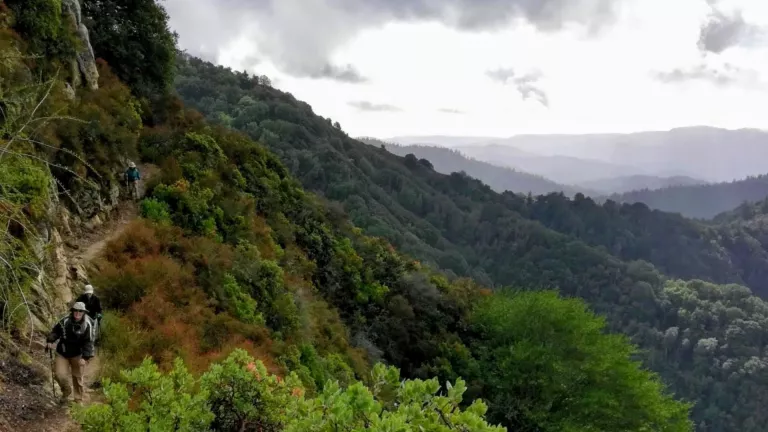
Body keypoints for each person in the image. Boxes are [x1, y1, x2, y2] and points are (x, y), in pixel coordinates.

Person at [46, 302, 95, 404]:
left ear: (84, 312)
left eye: (80, 311)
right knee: (59, 374)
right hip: (62, 353)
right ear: (72, 311)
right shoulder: (65, 321)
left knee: (77, 377)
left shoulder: (87, 324)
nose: (77, 313)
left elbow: (88, 342)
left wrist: (85, 357)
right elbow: (55, 332)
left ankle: (78, 400)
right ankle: (66, 390)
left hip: (78, 354)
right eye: (75, 310)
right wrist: (50, 340)